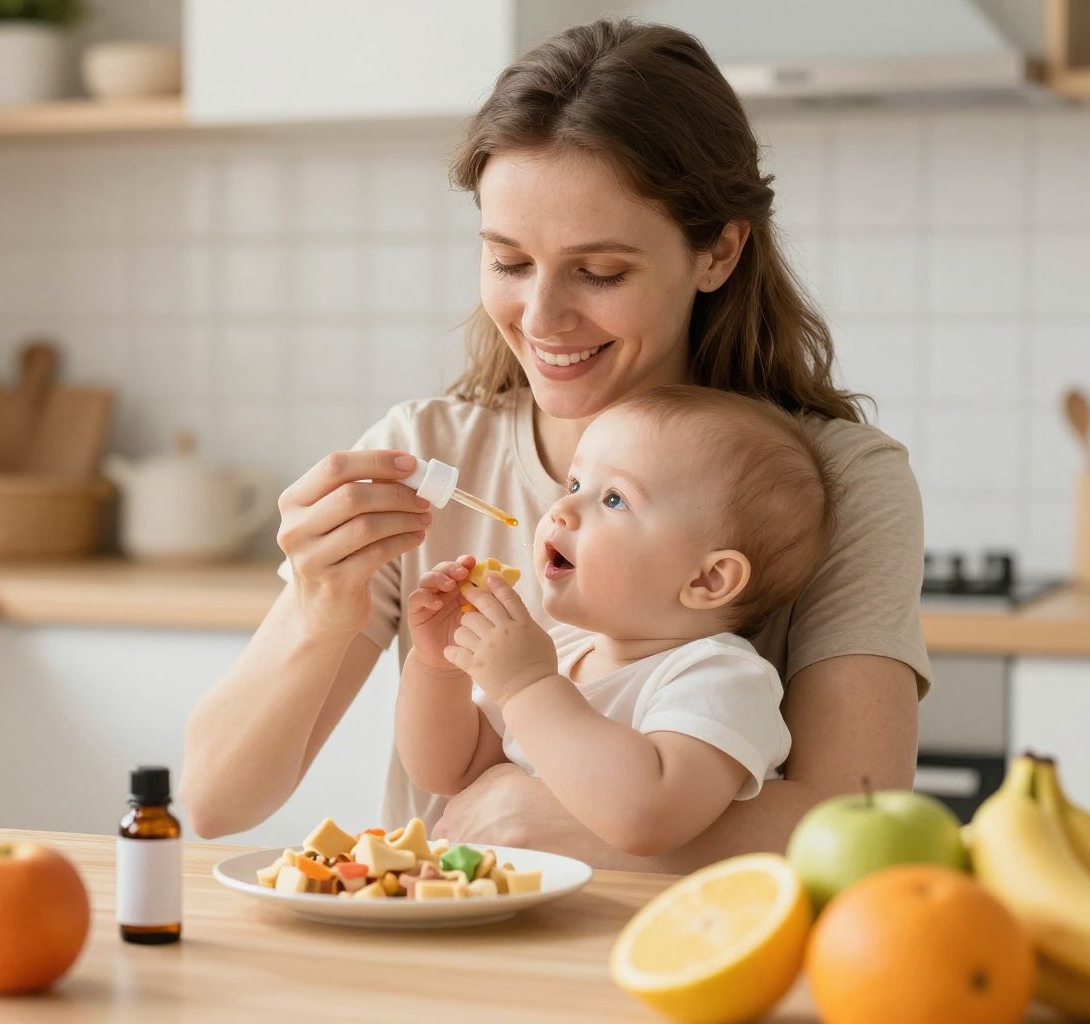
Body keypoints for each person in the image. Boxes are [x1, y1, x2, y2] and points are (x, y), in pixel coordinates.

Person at [182, 18, 929, 872]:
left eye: (600, 272)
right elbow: (214, 798)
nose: (540, 320)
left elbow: (867, 839)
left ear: (718, 251)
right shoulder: (425, 451)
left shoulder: (835, 483)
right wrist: (322, 602)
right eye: (508, 262)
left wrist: (522, 810)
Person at [396, 386, 835, 857]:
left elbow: (647, 817)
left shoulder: (723, 679)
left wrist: (527, 685)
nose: (561, 510)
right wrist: (438, 668)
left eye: (613, 500)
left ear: (708, 579)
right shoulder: (562, 651)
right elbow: (449, 770)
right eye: (574, 486)